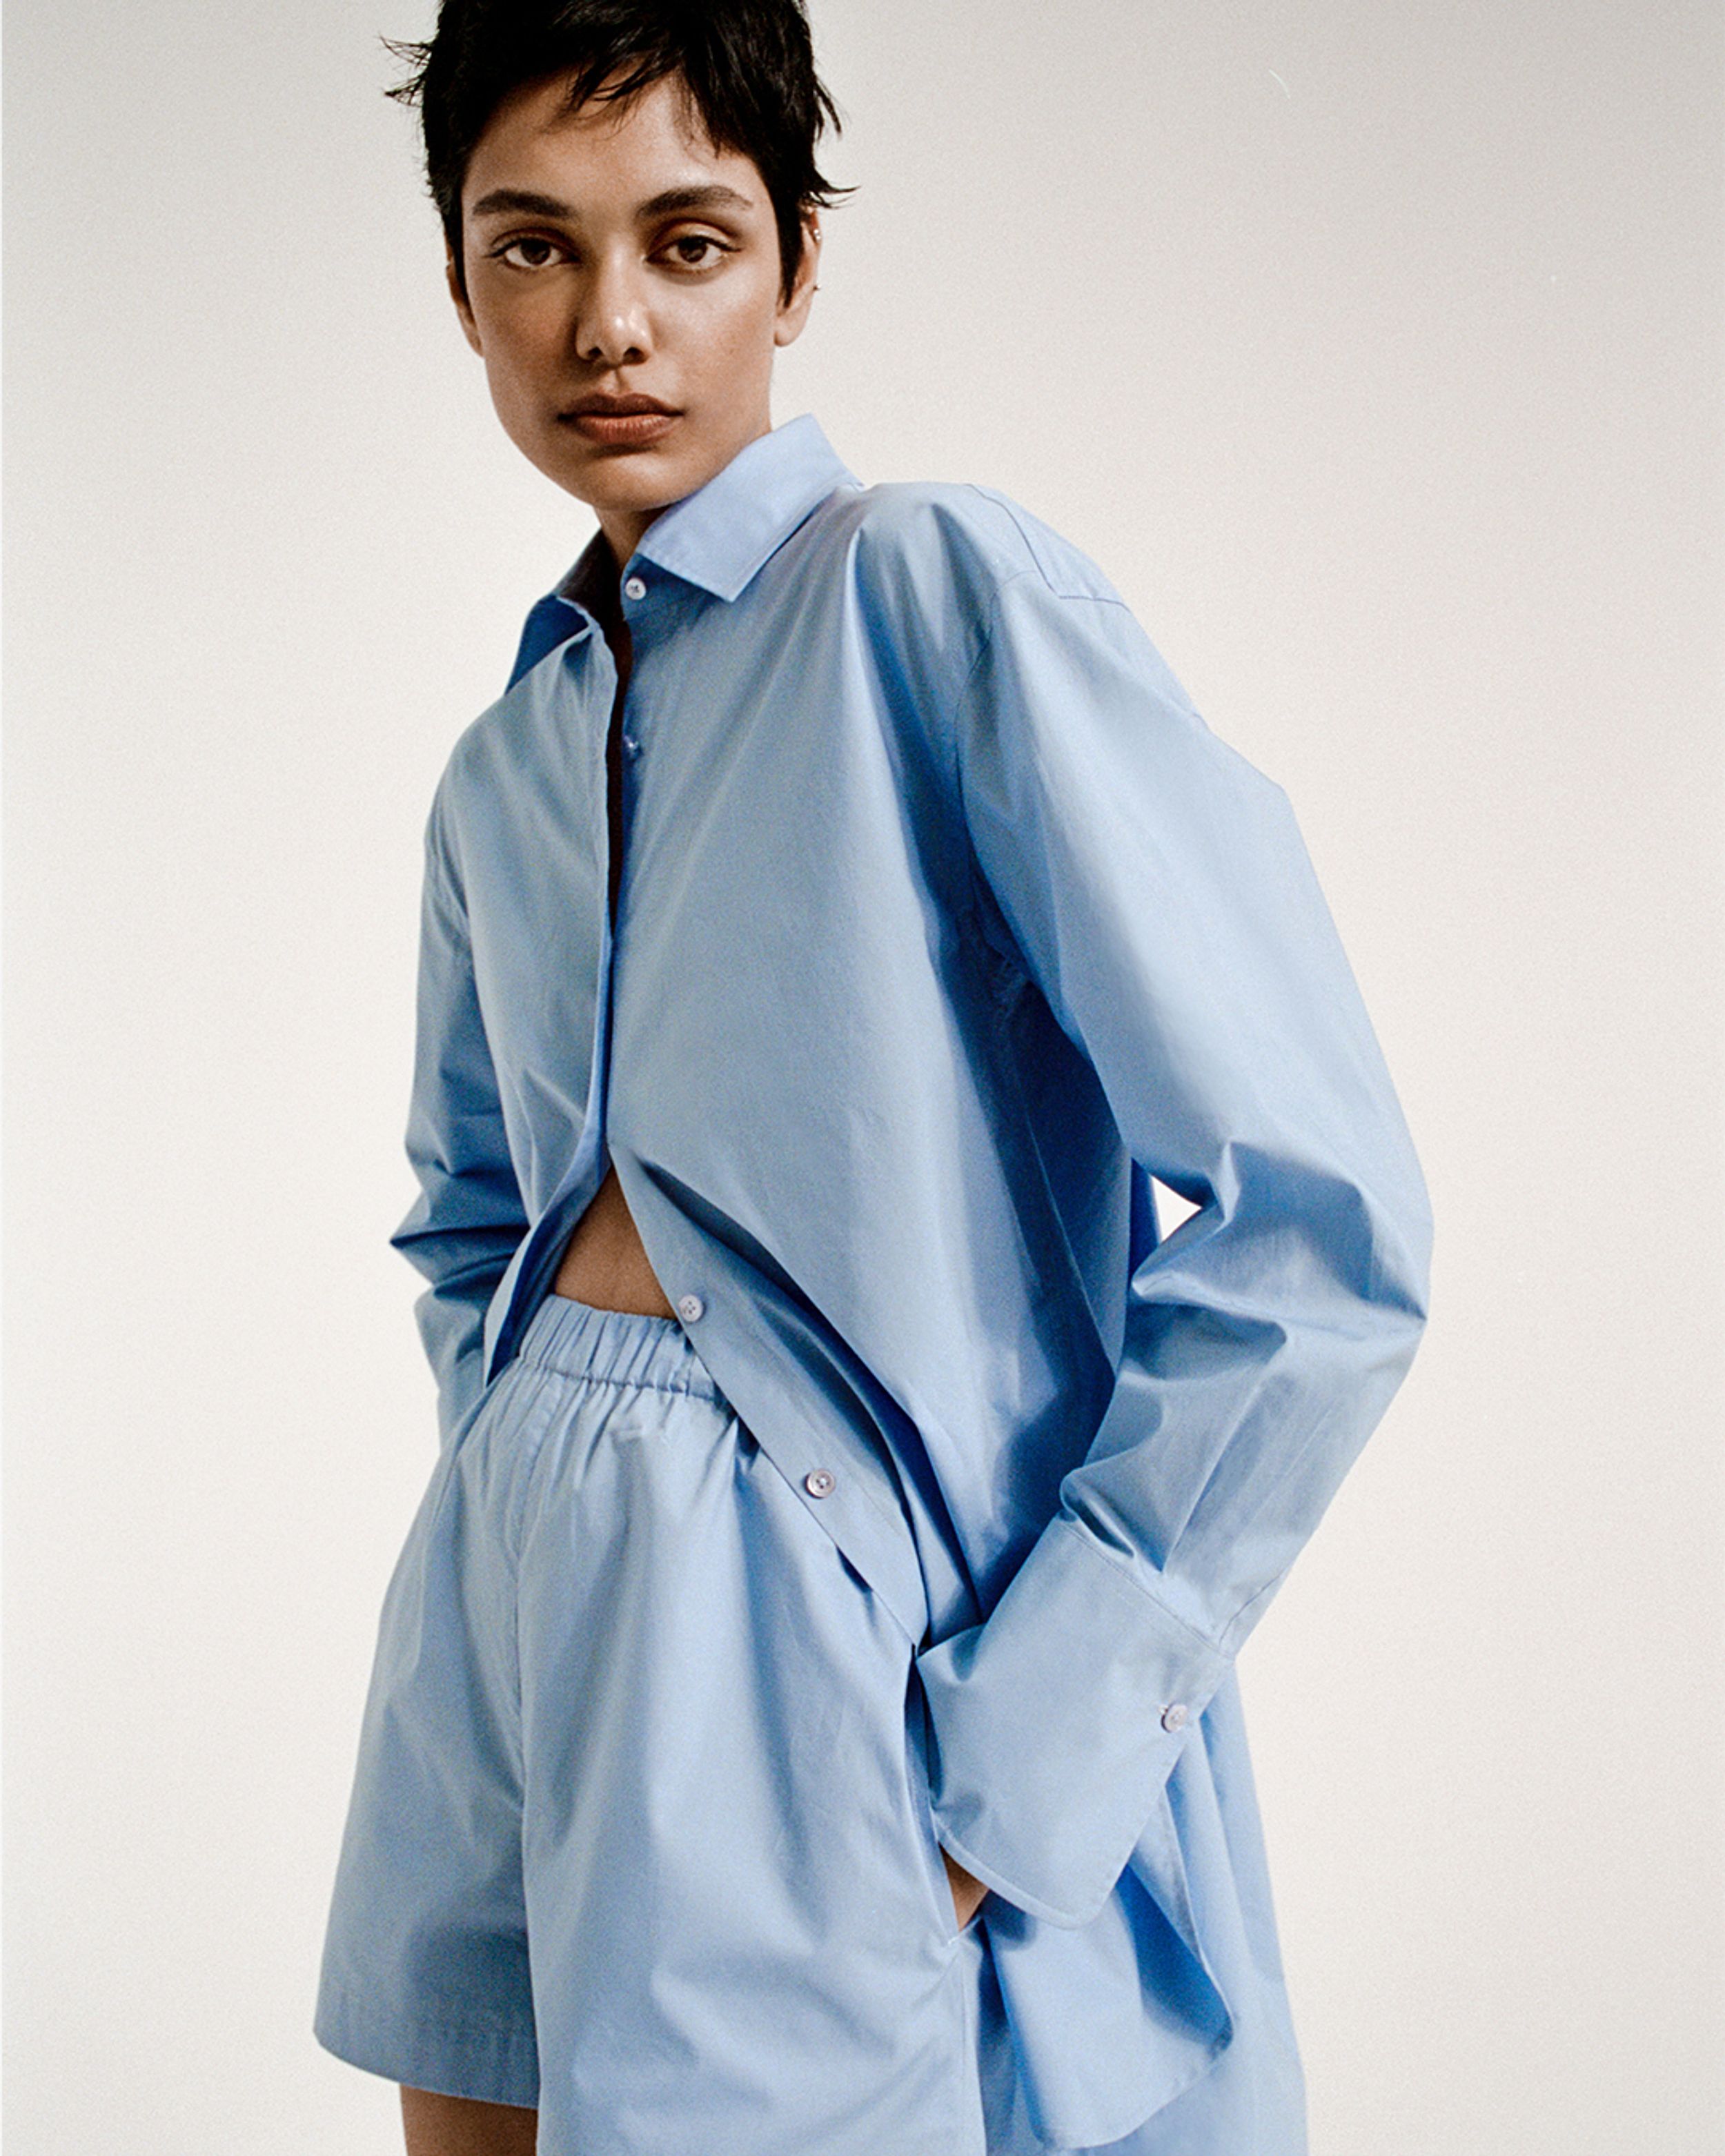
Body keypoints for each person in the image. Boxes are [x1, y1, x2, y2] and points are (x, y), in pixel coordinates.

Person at [313, 4, 1434, 2152]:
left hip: (812, 1659)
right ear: (458, 285)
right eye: (531, 248)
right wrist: (530, 1481)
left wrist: (1022, 1756)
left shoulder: (930, 596)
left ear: (797, 265)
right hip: (496, 1612)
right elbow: (472, 1216)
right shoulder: (504, 765)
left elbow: (1324, 1222)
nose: (609, 324)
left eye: (689, 242)